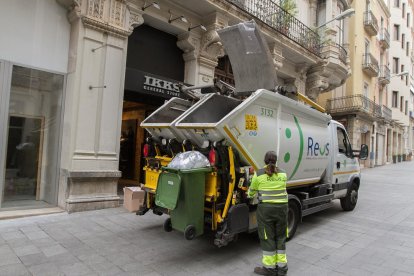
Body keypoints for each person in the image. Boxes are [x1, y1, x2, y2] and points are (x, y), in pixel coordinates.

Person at [248, 151, 288, 276]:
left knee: (267, 237)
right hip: (282, 209)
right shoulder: (283, 173)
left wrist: (249, 195)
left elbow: (252, 191)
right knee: (280, 237)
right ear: (276, 161)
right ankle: (282, 269)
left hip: (266, 210)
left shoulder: (258, 174)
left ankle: (269, 268)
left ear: (265, 161)